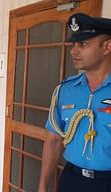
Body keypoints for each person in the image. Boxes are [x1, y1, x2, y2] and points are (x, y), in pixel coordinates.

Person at [38, 13, 111, 192]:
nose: (73, 50)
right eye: (74, 44)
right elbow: (54, 140)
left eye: (83, 44)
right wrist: (42, 185)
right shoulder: (65, 90)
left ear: (107, 47)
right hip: (72, 179)